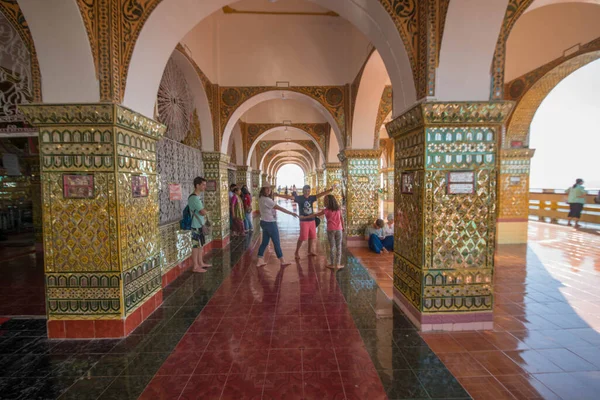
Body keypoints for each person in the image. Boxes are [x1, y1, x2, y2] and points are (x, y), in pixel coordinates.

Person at [277, 184, 333, 259]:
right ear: (303, 191)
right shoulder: (299, 198)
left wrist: (329, 190)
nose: (307, 192)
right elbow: (290, 197)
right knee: (303, 237)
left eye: (308, 191)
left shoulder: (311, 198)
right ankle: (296, 252)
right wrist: (278, 195)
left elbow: (320, 195)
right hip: (304, 221)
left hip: (312, 220)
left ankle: (310, 251)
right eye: (306, 191)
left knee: (312, 236)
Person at [256, 185, 298, 267]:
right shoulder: (267, 200)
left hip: (263, 221)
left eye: (269, 189)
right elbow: (279, 208)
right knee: (276, 242)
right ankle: (282, 260)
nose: (269, 190)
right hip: (270, 223)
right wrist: (291, 213)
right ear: (263, 190)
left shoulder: (261, 198)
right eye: (266, 188)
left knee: (265, 242)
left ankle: (259, 260)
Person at [311, 194, 344, 269]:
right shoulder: (338, 209)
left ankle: (332, 264)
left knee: (332, 246)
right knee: (339, 247)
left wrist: (307, 216)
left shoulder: (326, 210)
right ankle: (338, 264)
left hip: (330, 230)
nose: (324, 202)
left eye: (325, 200)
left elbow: (316, 214)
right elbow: (341, 218)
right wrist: (343, 227)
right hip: (339, 229)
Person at [188, 177, 211, 272]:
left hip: (200, 224)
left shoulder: (197, 197)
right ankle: (195, 266)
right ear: (197, 185)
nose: (205, 187)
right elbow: (202, 211)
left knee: (200, 245)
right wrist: (205, 210)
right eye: (203, 185)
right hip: (195, 225)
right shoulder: (194, 198)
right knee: (195, 246)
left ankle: (200, 262)